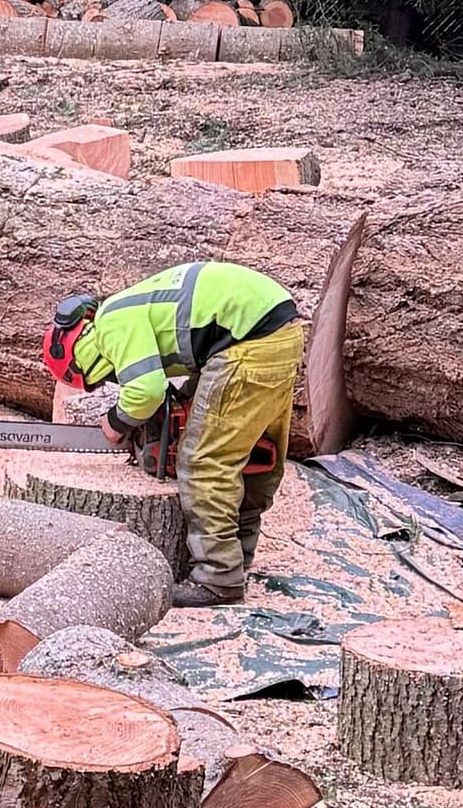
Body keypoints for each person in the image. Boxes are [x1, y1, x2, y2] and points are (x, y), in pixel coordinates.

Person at [45, 258, 306, 606]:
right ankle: (237, 557)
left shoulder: (111, 326)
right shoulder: (129, 305)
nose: (105, 382)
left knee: (203, 461)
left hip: (247, 341)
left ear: (79, 358)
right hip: (277, 331)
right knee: (254, 451)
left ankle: (217, 578)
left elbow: (146, 391)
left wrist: (116, 422)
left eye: (98, 381)